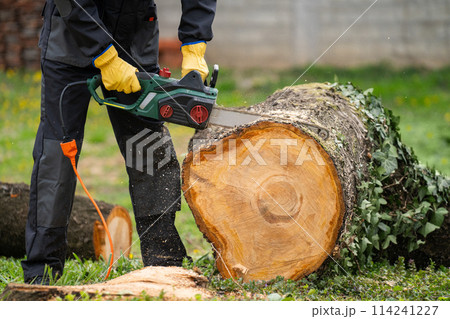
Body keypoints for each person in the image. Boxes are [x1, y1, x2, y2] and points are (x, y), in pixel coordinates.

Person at [21, 0, 216, 284]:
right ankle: (42, 269)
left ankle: (163, 260)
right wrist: (106, 57)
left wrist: (195, 43)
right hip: (71, 36)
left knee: (148, 147)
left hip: (135, 37)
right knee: (56, 157)